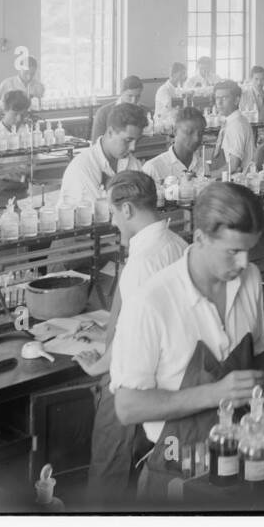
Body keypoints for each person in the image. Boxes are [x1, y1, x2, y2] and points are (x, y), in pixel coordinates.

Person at [111, 183, 264, 499]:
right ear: (200, 238)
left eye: (249, 250)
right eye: (232, 252)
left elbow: (258, 356)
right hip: (174, 476)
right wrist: (215, 393)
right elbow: (127, 406)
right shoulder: (151, 302)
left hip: (242, 462)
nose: (244, 263)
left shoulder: (250, 279)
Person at [77, 171, 188, 503]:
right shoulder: (178, 245)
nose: (114, 222)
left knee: (110, 467)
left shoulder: (142, 262)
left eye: (113, 213)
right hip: (170, 376)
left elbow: (129, 336)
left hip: (135, 380)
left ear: (127, 210)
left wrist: (97, 367)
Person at [58, 102, 147, 207]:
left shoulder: (131, 162)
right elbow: (99, 212)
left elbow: (142, 203)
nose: (133, 148)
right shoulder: (83, 167)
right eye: (128, 140)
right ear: (110, 132)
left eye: (137, 141)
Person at [0, 90, 33, 203]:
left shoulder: (27, 135)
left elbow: (34, 161)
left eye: (23, 114)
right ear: (5, 110)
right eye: (15, 114)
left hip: (22, 188)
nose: (19, 119)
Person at [143, 107, 208, 185]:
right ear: (175, 131)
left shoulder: (202, 166)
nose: (196, 139)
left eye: (200, 133)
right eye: (189, 132)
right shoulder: (153, 168)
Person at [208, 81, 255, 175]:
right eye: (217, 98)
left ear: (236, 100)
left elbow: (233, 166)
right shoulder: (230, 121)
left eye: (224, 98)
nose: (219, 103)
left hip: (235, 182)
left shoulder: (237, 125)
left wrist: (210, 175)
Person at [91, 76, 146, 141]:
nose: (133, 101)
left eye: (137, 96)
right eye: (130, 96)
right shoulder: (103, 113)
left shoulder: (146, 112)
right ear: (121, 93)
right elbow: (96, 143)